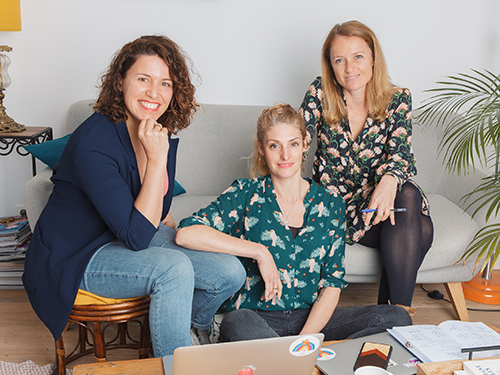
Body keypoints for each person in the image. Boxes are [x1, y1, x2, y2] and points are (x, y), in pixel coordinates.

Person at [22, 35, 245, 357]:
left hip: (118, 235)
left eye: (165, 83)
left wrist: (156, 162)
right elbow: (139, 236)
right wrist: (156, 160)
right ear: (120, 81)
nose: (154, 93)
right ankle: (175, 365)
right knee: (173, 269)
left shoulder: (155, 130)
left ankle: (187, 333)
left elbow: (157, 212)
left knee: (229, 272)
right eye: (143, 79)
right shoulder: (94, 142)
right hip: (75, 255)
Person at [175, 103, 411, 342]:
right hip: (254, 319)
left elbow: (332, 284)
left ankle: (287, 362)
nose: (285, 155)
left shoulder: (331, 204)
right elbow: (186, 233)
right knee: (236, 322)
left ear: (305, 145)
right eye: (274, 145)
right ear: (261, 148)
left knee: (396, 317)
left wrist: (305, 341)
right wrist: (259, 252)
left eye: (293, 144)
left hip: (310, 320)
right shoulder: (245, 194)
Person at [299, 20, 434, 312]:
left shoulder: (398, 98)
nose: (350, 68)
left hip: (385, 200)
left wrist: (388, 182)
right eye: (340, 60)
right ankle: (396, 315)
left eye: (358, 56)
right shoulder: (320, 93)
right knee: (421, 229)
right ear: (330, 66)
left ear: (373, 58)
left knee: (406, 193)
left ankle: (393, 315)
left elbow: (401, 152)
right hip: (337, 207)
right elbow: (297, 142)